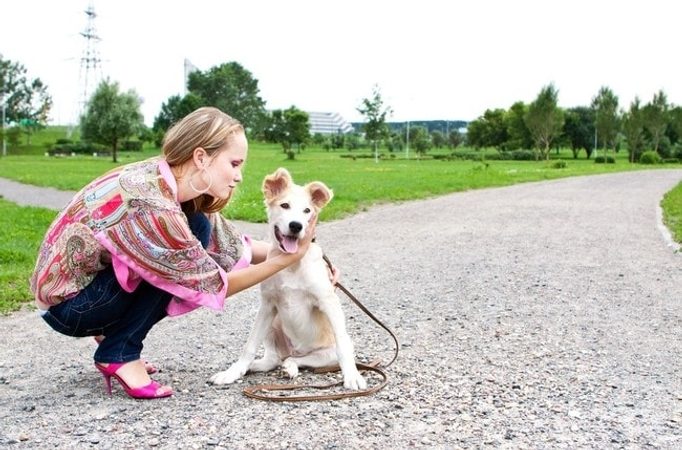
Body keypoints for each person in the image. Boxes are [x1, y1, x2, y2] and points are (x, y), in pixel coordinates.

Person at [30, 106, 330, 399]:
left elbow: (234, 245)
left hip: (82, 295)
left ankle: (115, 338)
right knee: (180, 263)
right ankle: (119, 352)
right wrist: (288, 259)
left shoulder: (164, 183)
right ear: (201, 157)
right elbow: (210, 282)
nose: (239, 176)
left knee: (197, 228)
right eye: (235, 164)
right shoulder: (153, 206)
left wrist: (309, 255)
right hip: (71, 308)